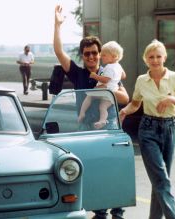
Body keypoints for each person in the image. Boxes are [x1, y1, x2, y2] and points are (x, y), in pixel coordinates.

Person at [54, 5, 128, 219]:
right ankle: (100, 211)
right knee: (91, 171)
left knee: (113, 169)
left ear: (101, 54)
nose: (91, 56)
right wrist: (57, 25)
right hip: (86, 127)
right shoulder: (77, 73)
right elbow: (59, 52)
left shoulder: (109, 70)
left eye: (95, 53)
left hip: (110, 126)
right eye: (87, 53)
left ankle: (117, 211)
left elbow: (125, 97)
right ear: (83, 56)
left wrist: (108, 90)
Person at [119, 39, 175, 219]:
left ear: (164, 57)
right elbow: (135, 104)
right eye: (151, 57)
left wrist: (172, 100)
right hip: (148, 130)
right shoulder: (142, 80)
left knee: (159, 181)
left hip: (170, 129)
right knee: (161, 179)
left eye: (158, 56)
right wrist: (123, 112)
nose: (155, 60)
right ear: (146, 59)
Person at [78, 41, 126, 129]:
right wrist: (116, 79)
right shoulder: (118, 66)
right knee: (103, 107)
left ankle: (82, 113)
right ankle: (102, 120)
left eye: (104, 55)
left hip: (105, 90)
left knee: (89, 96)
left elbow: (105, 80)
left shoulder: (110, 67)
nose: (101, 56)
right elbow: (123, 75)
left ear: (114, 56)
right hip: (111, 93)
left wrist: (95, 76)